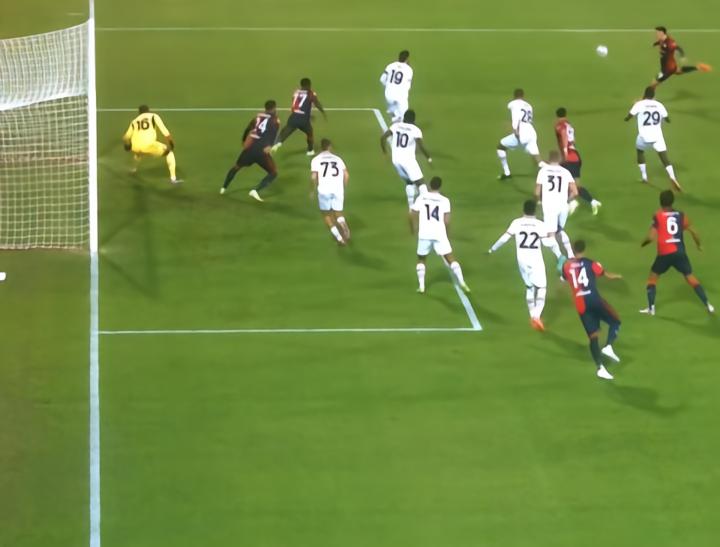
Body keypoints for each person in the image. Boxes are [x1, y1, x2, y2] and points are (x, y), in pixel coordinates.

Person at [488, 200, 559, 331]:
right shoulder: (540, 225)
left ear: (523, 209)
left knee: (529, 286)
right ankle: (536, 316)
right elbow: (546, 244)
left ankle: (532, 316)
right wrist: (554, 242)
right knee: (542, 288)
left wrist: (492, 249)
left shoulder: (516, 223)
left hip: (521, 259)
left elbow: (504, 238)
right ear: (535, 210)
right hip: (535, 259)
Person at [640, 190, 714, 315]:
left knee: (652, 278)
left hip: (664, 254)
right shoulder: (681, 215)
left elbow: (651, 237)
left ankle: (651, 308)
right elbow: (694, 232)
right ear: (672, 201)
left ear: (660, 201)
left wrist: (642, 244)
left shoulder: (658, 215)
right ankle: (708, 304)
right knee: (690, 277)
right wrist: (699, 245)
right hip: (679, 253)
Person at [561, 240, 623, 380]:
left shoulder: (567, 265)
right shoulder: (591, 263)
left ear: (573, 249)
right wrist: (617, 276)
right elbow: (604, 274)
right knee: (615, 321)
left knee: (593, 336)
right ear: (584, 249)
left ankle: (600, 368)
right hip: (594, 299)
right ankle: (608, 346)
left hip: (581, 304)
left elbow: (564, 277)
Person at [410, 177, 469, 294]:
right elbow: (446, 221)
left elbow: (412, 214)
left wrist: (413, 228)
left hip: (425, 233)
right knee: (450, 258)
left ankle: (421, 286)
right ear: (440, 186)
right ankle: (462, 282)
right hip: (439, 233)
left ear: (430, 185)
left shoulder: (421, 198)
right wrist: (447, 234)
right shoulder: (445, 200)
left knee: (421, 259)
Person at [220, 100, 280, 202]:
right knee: (273, 172)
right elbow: (273, 134)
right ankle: (255, 190)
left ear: (265, 108)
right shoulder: (275, 120)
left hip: (249, 148)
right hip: (261, 151)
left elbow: (248, 129)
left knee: (236, 167)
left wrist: (244, 140)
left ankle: (223, 188)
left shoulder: (258, 117)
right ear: (274, 108)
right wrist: (270, 145)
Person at [624, 87, 681, 192]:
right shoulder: (659, 105)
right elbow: (668, 120)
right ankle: (672, 177)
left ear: (644, 94)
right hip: (657, 136)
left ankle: (644, 177)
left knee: (640, 151)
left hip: (644, 137)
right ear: (653, 95)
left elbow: (627, 118)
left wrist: (637, 113)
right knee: (664, 157)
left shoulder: (639, 104)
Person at [380, 110, 432, 212]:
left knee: (409, 182)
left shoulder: (396, 126)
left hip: (396, 160)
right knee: (421, 184)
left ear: (404, 117)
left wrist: (385, 152)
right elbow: (420, 146)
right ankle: (426, 209)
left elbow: (383, 138)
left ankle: (411, 207)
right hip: (408, 160)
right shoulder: (415, 130)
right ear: (414, 120)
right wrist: (429, 158)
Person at [554, 107, 602, 215]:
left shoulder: (560, 126)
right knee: (575, 185)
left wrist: (565, 155)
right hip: (576, 157)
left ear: (557, 116)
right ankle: (593, 202)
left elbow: (564, 139)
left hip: (569, 158)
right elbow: (573, 140)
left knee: (562, 181)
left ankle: (570, 203)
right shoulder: (569, 125)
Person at [535, 150, 578, 258]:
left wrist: (539, 200)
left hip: (549, 205)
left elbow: (536, 192)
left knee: (551, 234)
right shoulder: (565, 172)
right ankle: (570, 254)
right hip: (563, 205)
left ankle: (559, 257)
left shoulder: (543, 171)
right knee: (559, 230)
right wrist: (567, 200)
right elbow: (575, 192)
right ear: (559, 159)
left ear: (549, 159)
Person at [122, 105, 180, 183]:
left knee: (138, 153)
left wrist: (126, 145)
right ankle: (173, 179)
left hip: (135, 146)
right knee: (169, 152)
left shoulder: (134, 121)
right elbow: (164, 130)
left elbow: (126, 137)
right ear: (148, 110)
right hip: (149, 145)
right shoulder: (153, 116)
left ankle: (133, 170)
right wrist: (171, 142)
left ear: (139, 112)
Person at [310, 139, 350, 246]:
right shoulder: (338, 159)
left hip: (324, 190)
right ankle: (343, 224)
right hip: (337, 189)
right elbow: (346, 175)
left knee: (326, 214)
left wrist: (312, 190)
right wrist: (343, 188)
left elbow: (313, 177)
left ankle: (339, 238)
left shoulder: (316, 160)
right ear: (329, 147)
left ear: (321, 147)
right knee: (338, 212)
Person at [271, 78, 326, 156]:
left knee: (286, 131)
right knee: (309, 133)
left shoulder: (296, 93)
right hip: (304, 119)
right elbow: (317, 103)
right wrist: (323, 112)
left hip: (294, 116)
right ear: (309, 85)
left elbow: (298, 105)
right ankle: (310, 151)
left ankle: (278, 143)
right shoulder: (310, 93)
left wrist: (309, 115)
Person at [496, 88, 543, 180]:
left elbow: (516, 116)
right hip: (531, 132)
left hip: (522, 131)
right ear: (523, 96)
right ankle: (551, 169)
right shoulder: (529, 105)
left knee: (500, 146)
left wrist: (515, 130)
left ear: (514, 96)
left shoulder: (513, 104)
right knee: (537, 158)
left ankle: (507, 173)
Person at [380, 50, 413, 123]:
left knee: (395, 114)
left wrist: (389, 86)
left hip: (388, 95)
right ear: (407, 59)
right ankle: (399, 121)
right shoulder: (409, 69)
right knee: (404, 117)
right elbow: (408, 87)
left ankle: (395, 117)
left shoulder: (390, 65)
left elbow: (382, 79)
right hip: (400, 96)